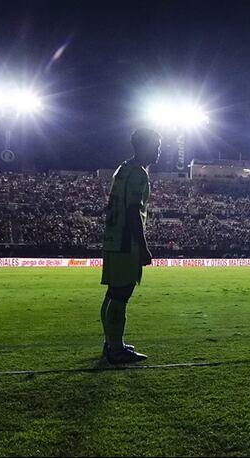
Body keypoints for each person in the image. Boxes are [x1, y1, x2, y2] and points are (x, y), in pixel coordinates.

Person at [100, 128, 161, 365]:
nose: (158, 152)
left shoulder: (123, 169)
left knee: (112, 294)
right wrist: (143, 247)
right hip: (126, 242)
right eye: (155, 147)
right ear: (144, 147)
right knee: (121, 294)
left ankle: (111, 342)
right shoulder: (138, 174)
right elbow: (133, 211)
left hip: (113, 238)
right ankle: (115, 349)